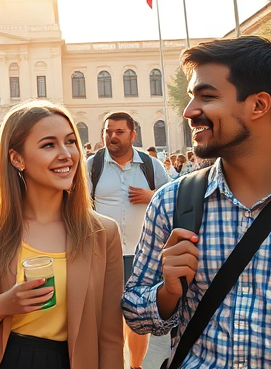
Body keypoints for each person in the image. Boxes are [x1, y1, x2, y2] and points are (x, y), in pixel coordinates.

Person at [124, 36, 271, 368]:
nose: (189, 111)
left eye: (207, 96)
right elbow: (136, 315)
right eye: (191, 97)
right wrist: (168, 292)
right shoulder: (173, 202)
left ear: (258, 105)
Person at [0, 101, 124, 369]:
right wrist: (3, 305)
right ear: (17, 158)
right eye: (49, 145)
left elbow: (110, 338)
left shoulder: (103, 233)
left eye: (70, 142)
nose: (67, 154)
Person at [87, 112, 170, 369]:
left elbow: (170, 201)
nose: (112, 136)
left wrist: (151, 195)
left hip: (142, 254)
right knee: (108, 318)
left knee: (138, 317)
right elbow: (78, 206)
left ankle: (135, 366)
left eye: (119, 132)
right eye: (108, 131)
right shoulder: (92, 165)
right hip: (103, 254)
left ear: (133, 135)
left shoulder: (150, 165)